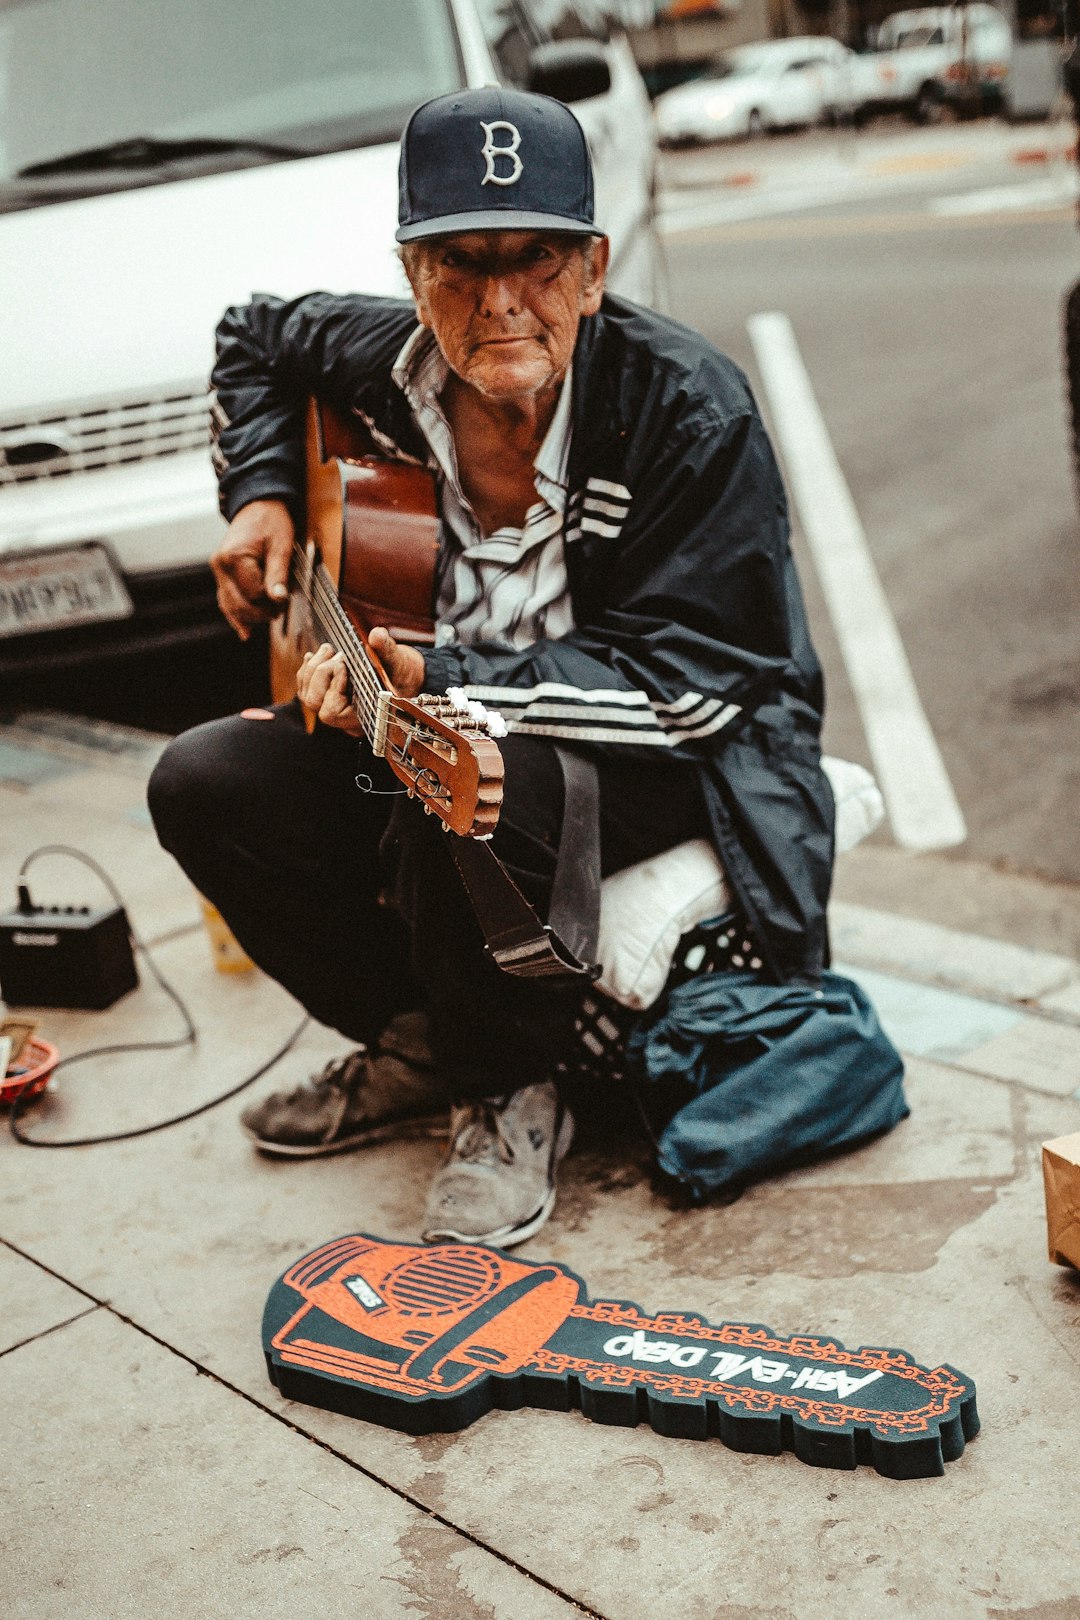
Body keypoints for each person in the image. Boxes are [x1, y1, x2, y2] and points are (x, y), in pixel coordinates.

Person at [148, 86, 835, 1248]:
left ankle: (515, 1086)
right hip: (434, 715)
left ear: (595, 266)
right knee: (201, 784)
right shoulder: (387, 361)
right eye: (460, 264)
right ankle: (425, 1044)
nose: (501, 300)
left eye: (539, 260)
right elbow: (250, 334)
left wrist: (449, 678)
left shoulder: (686, 407)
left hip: (676, 754)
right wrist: (263, 498)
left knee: (456, 776)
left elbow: (698, 682)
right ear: (412, 271)